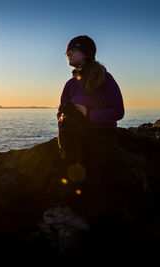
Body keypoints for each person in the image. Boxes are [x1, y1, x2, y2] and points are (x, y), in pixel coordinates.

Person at [56, 35, 125, 225]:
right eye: (67, 51)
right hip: (77, 136)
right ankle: (72, 208)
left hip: (103, 134)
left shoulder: (105, 78)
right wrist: (65, 116)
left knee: (98, 180)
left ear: (86, 53)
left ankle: (95, 222)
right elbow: (60, 112)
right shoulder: (70, 84)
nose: (68, 53)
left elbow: (118, 111)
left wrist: (88, 114)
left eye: (73, 49)